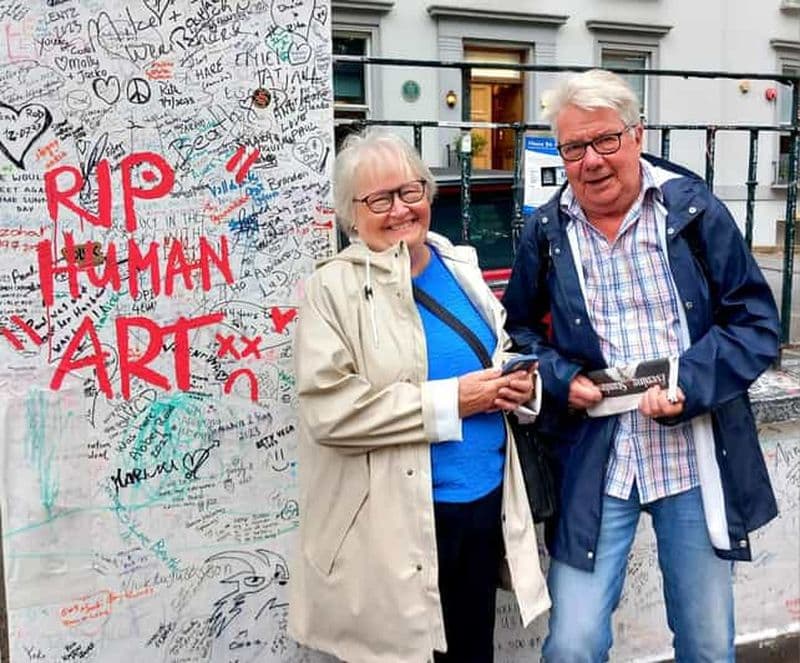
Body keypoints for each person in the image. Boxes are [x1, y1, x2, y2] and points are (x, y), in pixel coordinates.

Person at [502, 69, 780, 662]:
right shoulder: (547, 231)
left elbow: (756, 325)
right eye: (574, 148)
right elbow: (519, 331)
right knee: (572, 644)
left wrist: (688, 383)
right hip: (596, 459)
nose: (592, 161)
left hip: (692, 457)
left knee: (707, 646)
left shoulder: (694, 210)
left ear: (636, 134)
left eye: (605, 140)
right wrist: (559, 380)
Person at [288, 128, 550, 663]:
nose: (400, 210)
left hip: (481, 507)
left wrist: (519, 385)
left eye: (410, 192)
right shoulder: (331, 291)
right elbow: (330, 412)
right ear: (351, 215)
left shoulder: (459, 265)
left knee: (472, 652)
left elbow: (497, 352)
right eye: (379, 199)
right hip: (400, 524)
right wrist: (454, 401)